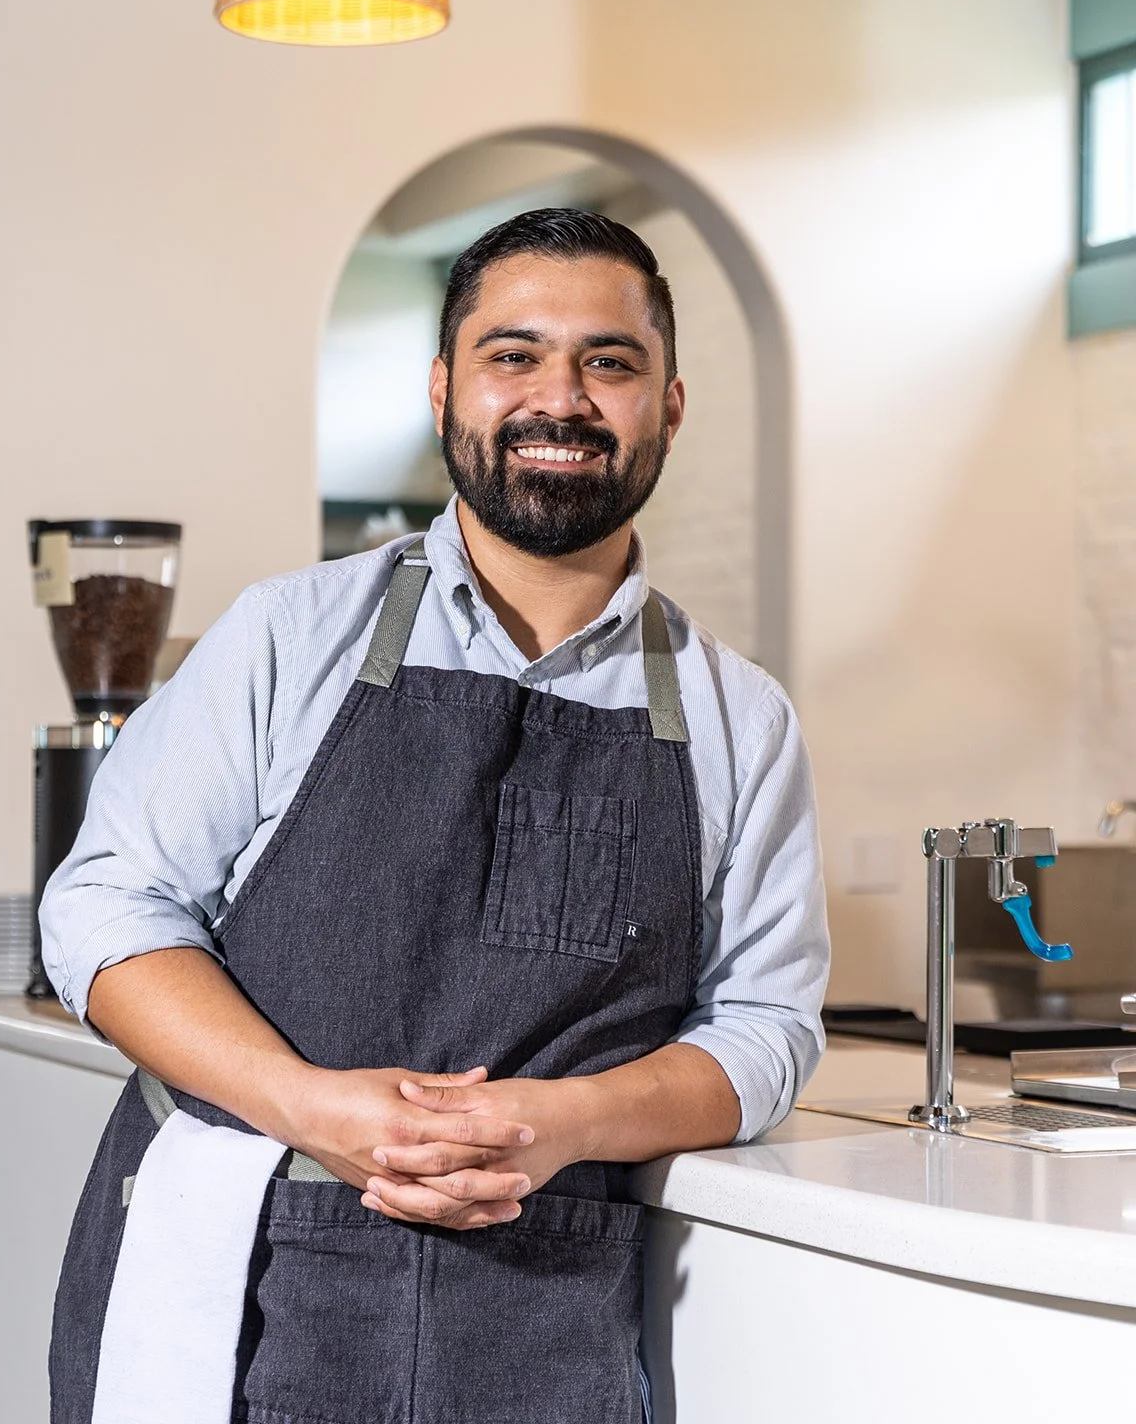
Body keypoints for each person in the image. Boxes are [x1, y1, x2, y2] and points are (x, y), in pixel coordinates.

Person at [41, 207, 829, 1424]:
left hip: (548, 1311)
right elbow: (102, 910)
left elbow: (766, 1029)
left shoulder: (742, 717)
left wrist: (565, 1121)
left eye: (607, 362)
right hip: (240, 1284)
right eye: (513, 355)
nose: (558, 399)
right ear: (443, 388)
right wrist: (314, 1107)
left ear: (668, 405)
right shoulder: (287, 635)